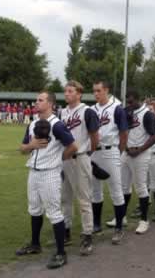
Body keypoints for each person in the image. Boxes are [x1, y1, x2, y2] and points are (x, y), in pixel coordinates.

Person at [16, 90, 77, 270]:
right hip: (33, 172)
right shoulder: (33, 123)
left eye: (40, 100)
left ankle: (61, 253)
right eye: (36, 100)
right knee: (34, 208)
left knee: (54, 212)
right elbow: (22, 148)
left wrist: (59, 159)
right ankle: (35, 244)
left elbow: (73, 146)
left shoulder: (56, 125)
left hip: (50, 173)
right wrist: (31, 145)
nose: (36, 102)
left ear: (50, 103)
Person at [61, 80, 100, 256]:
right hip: (65, 159)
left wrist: (88, 153)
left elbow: (94, 136)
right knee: (65, 198)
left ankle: (87, 235)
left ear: (79, 94)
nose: (67, 94)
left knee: (84, 199)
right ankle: (66, 231)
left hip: (80, 158)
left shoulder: (87, 111)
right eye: (66, 91)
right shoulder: (63, 112)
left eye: (70, 91)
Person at [90, 81, 128, 245]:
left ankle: (119, 228)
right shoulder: (91, 110)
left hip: (111, 149)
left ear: (106, 90)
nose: (96, 94)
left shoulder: (117, 108)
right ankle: (96, 224)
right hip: (94, 151)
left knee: (116, 190)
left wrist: (118, 151)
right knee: (95, 190)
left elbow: (124, 132)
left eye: (98, 91)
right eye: (94, 91)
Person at [121, 89, 155, 234]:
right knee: (123, 186)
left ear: (138, 99)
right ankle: (121, 217)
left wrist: (140, 150)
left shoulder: (147, 114)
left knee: (141, 187)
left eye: (131, 101)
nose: (129, 104)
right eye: (127, 101)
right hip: (127, 152)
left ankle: (144, 221)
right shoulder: (126, 111)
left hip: (140, 153)